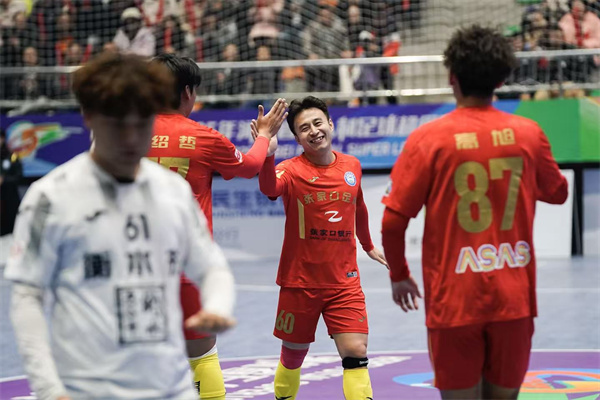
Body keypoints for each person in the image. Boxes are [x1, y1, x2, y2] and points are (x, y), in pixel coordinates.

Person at [5, 52, 236, 400]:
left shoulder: (172, 191)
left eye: (141, 123)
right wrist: (49, 388)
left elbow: (212, 267)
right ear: (89, 117)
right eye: (117, 124)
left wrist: (217, 305)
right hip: (90, 388)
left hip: (170, 386)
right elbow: (27, 297)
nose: (130, 138)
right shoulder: (50, 198)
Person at [381, 25, 569, 400]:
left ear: (452, 76)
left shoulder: (427, 139)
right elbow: (559, 193)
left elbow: (392, 222)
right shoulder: (528, 133)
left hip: (453, 302)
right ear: (501, 79)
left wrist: (399, 275)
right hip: (513, 299)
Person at [147, 53, 287, 400]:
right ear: (187, 92)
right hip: (188, 265)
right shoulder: (203, 137)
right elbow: (251, 166)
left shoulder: (126, 136)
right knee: (202, 354)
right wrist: (264, 137)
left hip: (136, 267)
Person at [252, 95, 388, 400]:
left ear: (330, 124)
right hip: (300, 283)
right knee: (293, 355)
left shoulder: (352, 166)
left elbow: (359, 206)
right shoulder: (289, 170)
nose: (314, 131)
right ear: (297, 138)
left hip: (344, 282)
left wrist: (367, 245)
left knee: (356, 351)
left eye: (318, 123)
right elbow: (269, 188)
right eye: (304, 128)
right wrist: (268, 155)